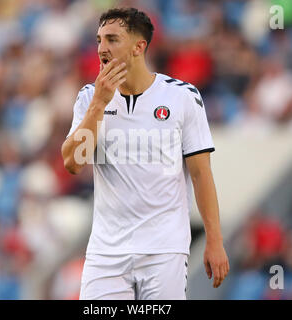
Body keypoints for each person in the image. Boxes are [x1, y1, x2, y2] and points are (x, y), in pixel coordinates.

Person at [61, 7, 229, 300]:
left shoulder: (181, 97)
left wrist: (215, 240)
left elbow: (202, 175)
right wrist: (100, 102)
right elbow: (74, 163)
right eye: (99, 39)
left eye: (112, 39)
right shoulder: (89, 97)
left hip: (164, 249)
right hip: (106, 251)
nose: (102, 48)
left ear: (139, 47)